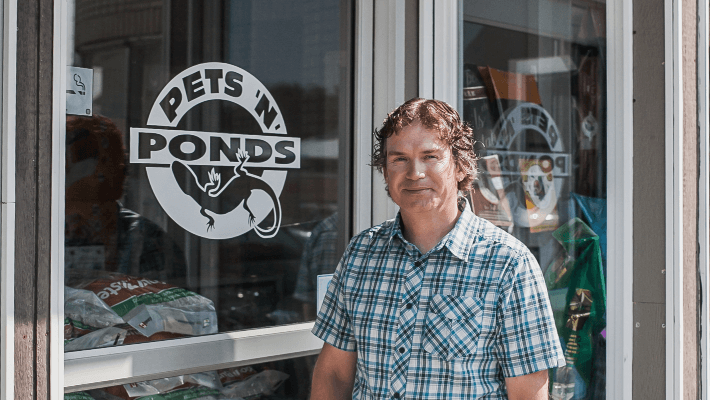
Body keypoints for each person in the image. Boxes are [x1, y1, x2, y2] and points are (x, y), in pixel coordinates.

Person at [310, 98, 564, 399]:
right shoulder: (361, 254)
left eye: (430, 156)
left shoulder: (509, 264)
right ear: (385, 171)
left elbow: (528, 394)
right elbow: (334, 375)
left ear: (460, 166)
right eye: (399, 158)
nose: (415, 172)